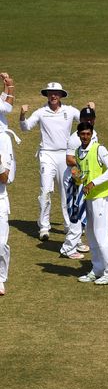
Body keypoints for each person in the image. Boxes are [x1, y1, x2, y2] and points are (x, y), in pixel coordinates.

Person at [19, 82, 83, 245]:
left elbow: (86, 122)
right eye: (50, 93)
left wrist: (91, 109)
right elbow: (26, 128)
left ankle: (69, 226)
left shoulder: (69, 111)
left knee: (66, 192)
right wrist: (21, 116)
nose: (53, 96)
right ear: (46, 95)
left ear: (61, 95)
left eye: (56, 93)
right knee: (46, 191)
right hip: (46, 155)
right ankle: (44, 227)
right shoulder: (41, 112)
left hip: (65, 156)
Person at [73, 122, 108, 285]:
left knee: (101, 234)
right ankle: (98, 268)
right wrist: (78, 178)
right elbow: (84, 174)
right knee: (90, 234)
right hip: (89, 198)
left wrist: (93, 183)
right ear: (78, 135)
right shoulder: (78, 152)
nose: (85, 136)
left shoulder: (100, 149)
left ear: (92, 134)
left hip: (101, 197)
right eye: (82, 134)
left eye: (88, 133)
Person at [62, 106, 98, 258]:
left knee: (85, 213)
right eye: (85, 119)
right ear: (80, 119)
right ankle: (68, 248)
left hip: (85, 179)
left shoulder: (93, 133)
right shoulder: (75, 138)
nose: (88, 121)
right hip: (74, 180)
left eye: (90, 118)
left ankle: (75, 242)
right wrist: (83, 165)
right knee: (76, 213)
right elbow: (69, 160)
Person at [0, 74, 16, 296]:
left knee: (0, 244)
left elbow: (6, 179)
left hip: (0, 197)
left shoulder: (4, 142)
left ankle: (0, 277)